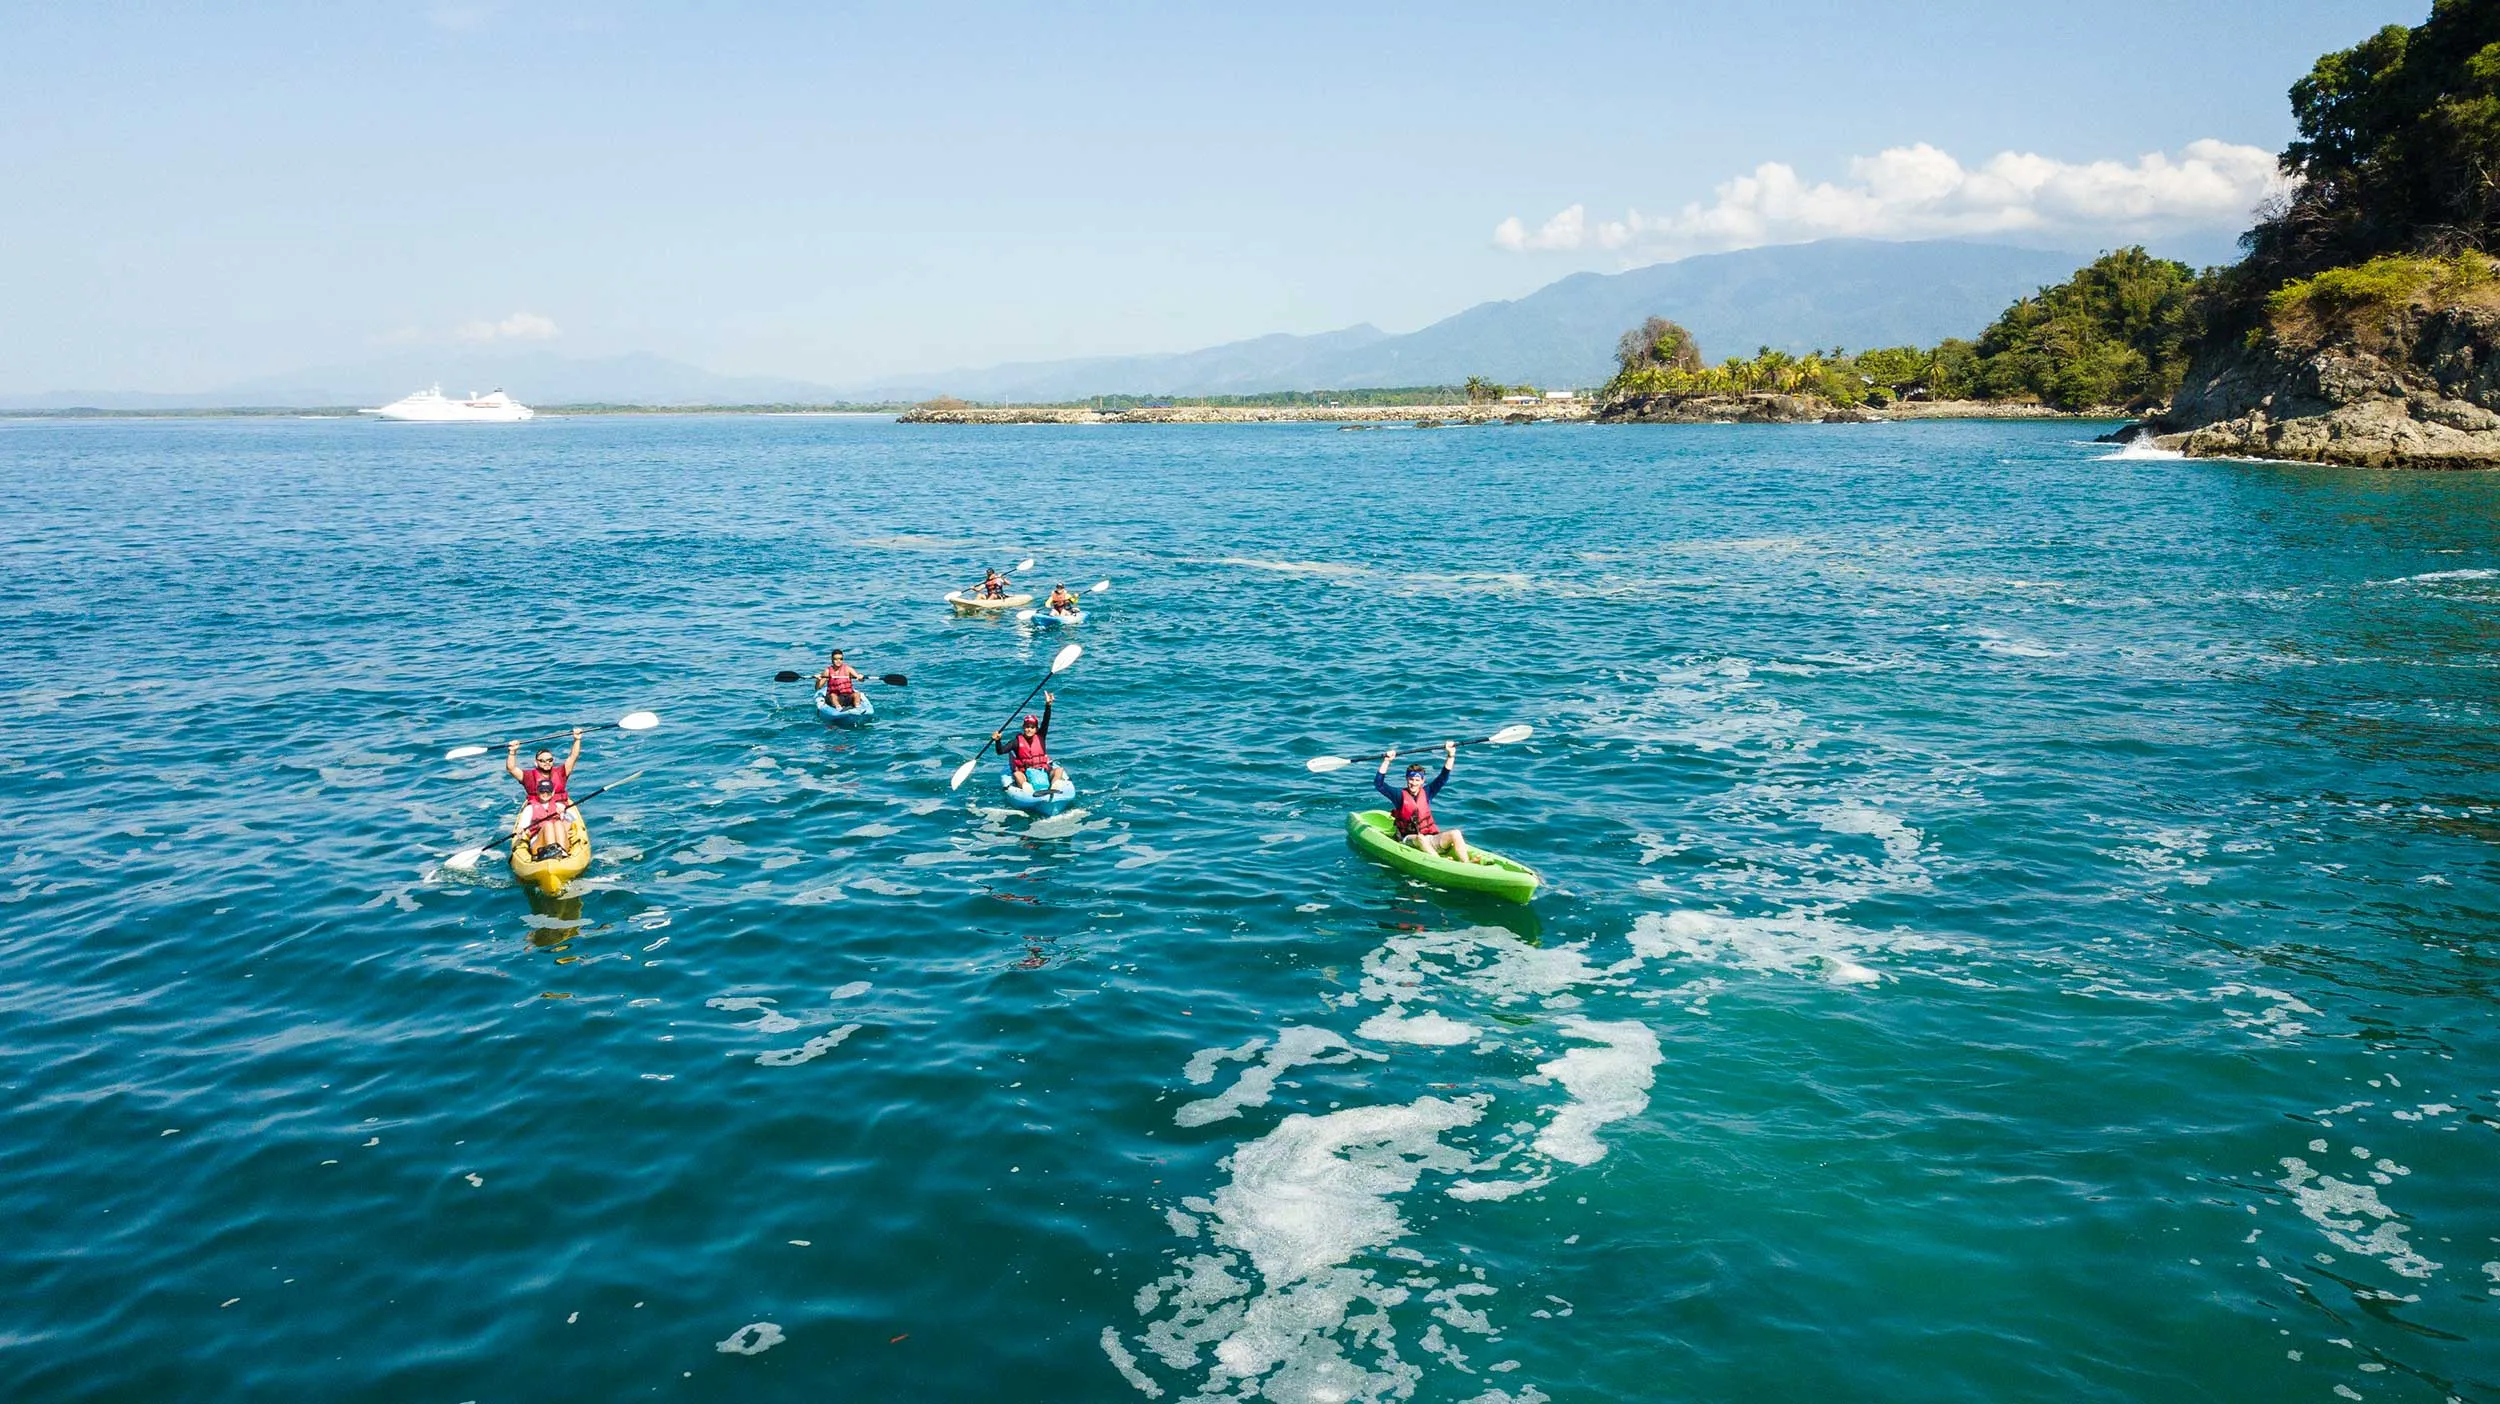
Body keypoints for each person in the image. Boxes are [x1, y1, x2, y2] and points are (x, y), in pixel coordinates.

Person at [1376, 741, 1474, 864]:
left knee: (1456, 833)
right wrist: (1387, 761)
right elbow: (1379, 785)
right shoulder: (1399, 795)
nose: (1413, 783)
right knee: (1420, 838)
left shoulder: (1428, 792)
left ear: (1422, 781)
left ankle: (1466, 864)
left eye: (1417, 780)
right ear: (1407, 779)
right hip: (1409, 839)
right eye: (1411, 779)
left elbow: (1443, 777)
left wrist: (1451, 755)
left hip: (1430, 838)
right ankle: (1442, 864)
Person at [506, 729, 581, 857]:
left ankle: (562, 852)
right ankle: (551, 852)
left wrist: (577, 739)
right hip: (538, 819)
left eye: (550, 760)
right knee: (548, 826)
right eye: (542, 760)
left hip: (560, 812)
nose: (547, 763)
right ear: (536, 762)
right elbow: (511, 768)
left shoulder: (561, 772)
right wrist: (512, 752)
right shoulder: (529, 777)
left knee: (557, 824)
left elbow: (573, 757)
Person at [992, 692, 1068, 793]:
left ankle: (1054, 786)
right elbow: (1000, 751)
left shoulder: (1041, 736)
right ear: (1023, 727)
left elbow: (1046, 720)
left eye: (1032, 727)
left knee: (1059, 770)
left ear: (1036, 729)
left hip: (1042, 771)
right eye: (1027, 727)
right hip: (1026, 774)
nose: (1029, 729)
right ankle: (1027, 788)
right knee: (1017, 774)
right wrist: (998, 740)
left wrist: (1048, 705)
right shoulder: (1016, 742)